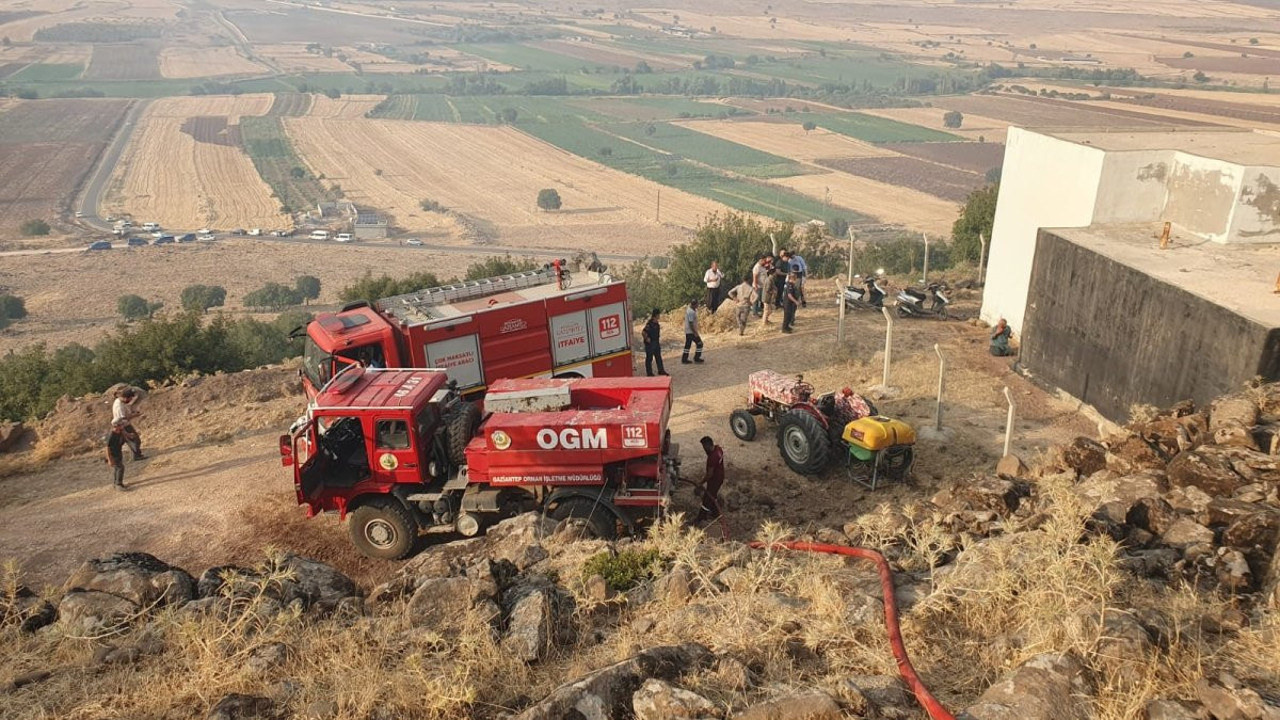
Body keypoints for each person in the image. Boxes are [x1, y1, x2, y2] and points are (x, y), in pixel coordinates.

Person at [694, 435, 725, 523]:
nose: (704, 449)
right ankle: (715, 513)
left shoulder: (712, 458)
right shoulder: (718, 449)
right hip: (720, 477)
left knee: (707, 499)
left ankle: (700, 518)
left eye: (704, 447)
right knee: (713, 496)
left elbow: (709, 474)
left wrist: (701, 482)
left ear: (707, 446)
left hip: (714, 480)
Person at [112, 387, 145, 460]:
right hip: (121, 425)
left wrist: (133, 412)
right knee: (135, 440)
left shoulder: (122, 402)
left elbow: (127, 410)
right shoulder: (119, 406)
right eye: (130, 398)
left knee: (120, 443)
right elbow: (123, 418)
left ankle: (111, 456)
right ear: (126, 397)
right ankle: (137, 456)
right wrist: (134, 415)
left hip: (123, 424)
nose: (131, 400)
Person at [641, 308, 668, 376]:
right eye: (659, 314)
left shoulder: (656, 323)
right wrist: (647, 338)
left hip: (656, 342)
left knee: (658, 357)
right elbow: (643, 332)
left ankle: (661, 370)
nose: (659, 316)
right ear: (656, 315)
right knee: (649, 358)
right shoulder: (650, 323)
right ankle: (649, 373)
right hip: (650, 344)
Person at [682, 298, 704, 364]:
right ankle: (696, 358)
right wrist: (695, 333)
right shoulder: (691, 312)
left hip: (688, 331)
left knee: (687, 345)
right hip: (691, 331)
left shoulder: (690, 310)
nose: (698, 305)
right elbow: (691, 323)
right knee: (700, 343)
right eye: (697, 304)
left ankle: (684, 359)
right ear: (694, 304)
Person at [106, 425, 127, 491]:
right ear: (116, 426)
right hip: (113, 455)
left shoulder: (120, 432)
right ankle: (118, 484)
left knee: (117, 468)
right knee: (120, 467)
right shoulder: (111, 435)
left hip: (118, 453)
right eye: (120, 425)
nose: (122, 426)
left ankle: (116, 483)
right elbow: (107, 448)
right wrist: (109, 459)